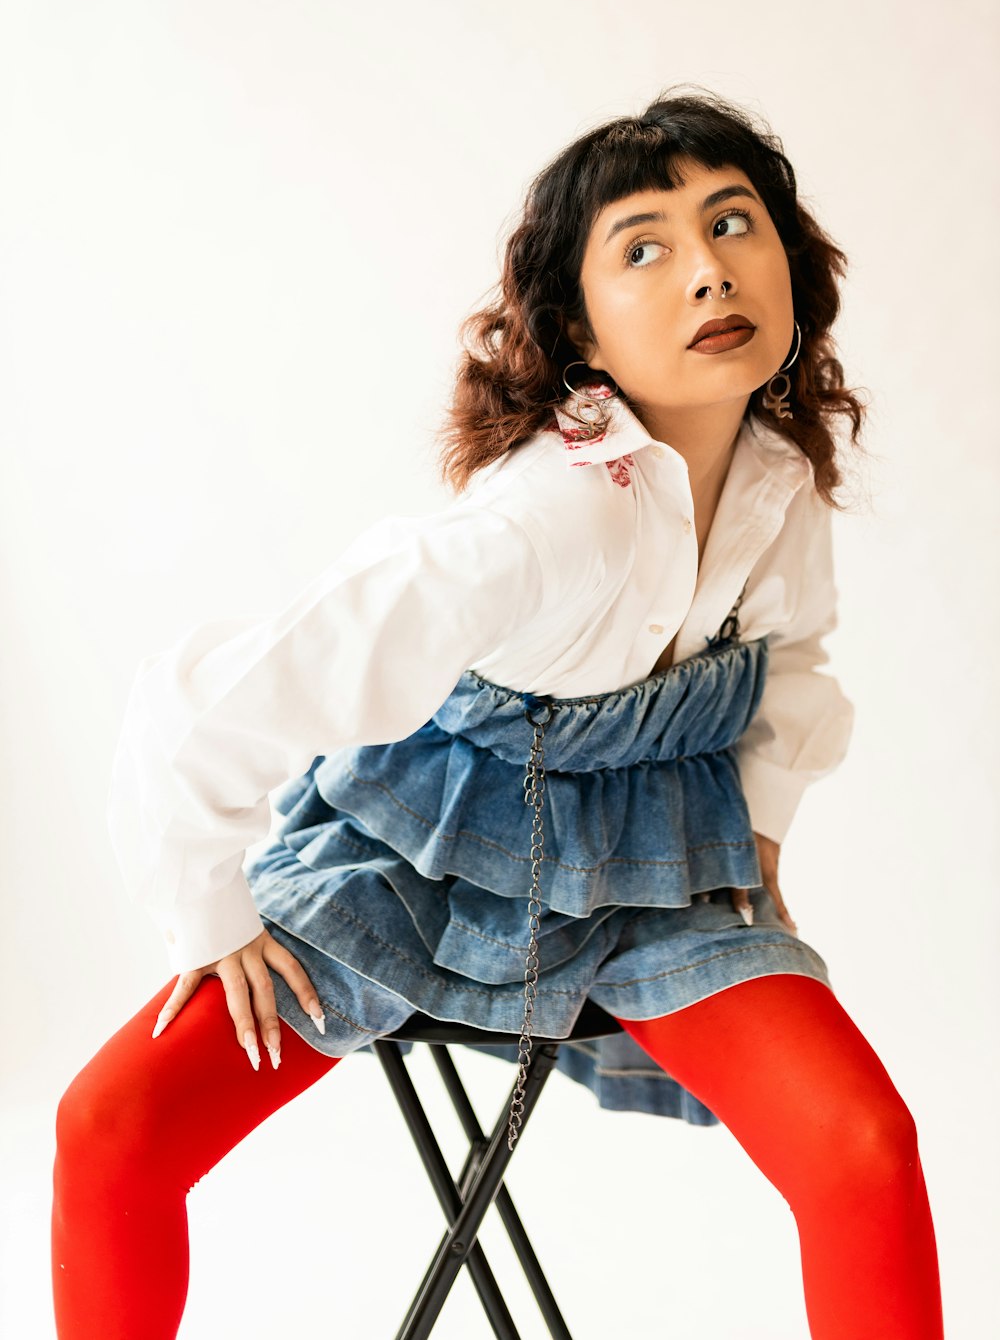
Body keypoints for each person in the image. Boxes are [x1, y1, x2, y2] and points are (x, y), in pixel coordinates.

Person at [50, 87, 945, 1339]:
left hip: (655, 873)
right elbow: (220, 693)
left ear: (788, 269)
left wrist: (760, 834)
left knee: (862, 1148)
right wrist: (206, 908)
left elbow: (792, 662)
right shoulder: (546, 521)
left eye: (734, 226)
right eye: (646, 246)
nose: (706, 273)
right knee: (110, 1122)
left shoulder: (778, 483)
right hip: (424, 858)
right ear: (579, 331)